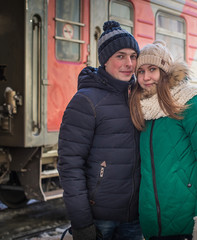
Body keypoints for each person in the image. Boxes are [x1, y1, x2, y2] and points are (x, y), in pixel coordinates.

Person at [129, 40, 197, 240]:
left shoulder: (191, 103)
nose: (146, 77)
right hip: (156, 227)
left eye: (152, 69)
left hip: (192, 222)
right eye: (140, 71)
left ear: (165, 71)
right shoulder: (141, 109)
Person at [57, 21, 143, 240]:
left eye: (133, 56)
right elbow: (70, 164)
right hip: (100, 217)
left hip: (135, 217)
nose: (129, 63)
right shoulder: (86, 101)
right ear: (105, 60)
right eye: (120, 56)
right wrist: (82, 222)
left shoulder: (139, 97)